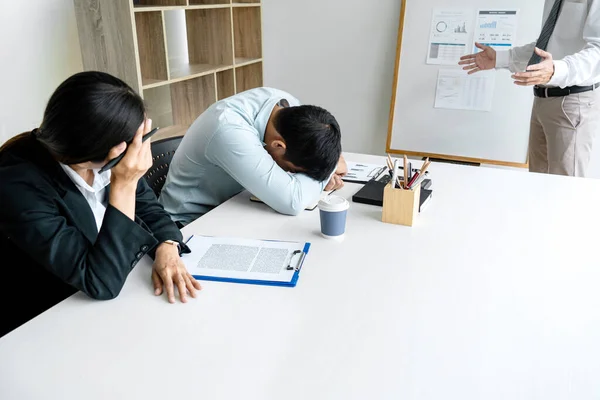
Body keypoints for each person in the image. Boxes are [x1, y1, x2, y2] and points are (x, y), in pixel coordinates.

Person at [0, 71, 201, 337]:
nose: (136, 150)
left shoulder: (107, 157)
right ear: (94, 150)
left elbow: (150, 210)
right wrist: (124, 184)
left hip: (113, 299)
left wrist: (167, 246)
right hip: (49, 317)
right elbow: (101, 283)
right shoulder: (17, 184)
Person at [159, 87, 346, 226]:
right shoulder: (229, 130)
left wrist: (328, 159)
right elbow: (292, 201)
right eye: (294, 171)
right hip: (188, 224)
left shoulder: (285, 106)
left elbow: (317, 141)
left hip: (233, 205)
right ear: (278, 145)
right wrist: (327, 172)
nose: (291, 174)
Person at [459, 0, 600, 177]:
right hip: (542, 99)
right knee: (536, 182)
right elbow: (546, 46)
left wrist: (557, 69)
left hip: (572, 102)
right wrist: (500, 58)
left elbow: (598, 49)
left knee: (565, 188)